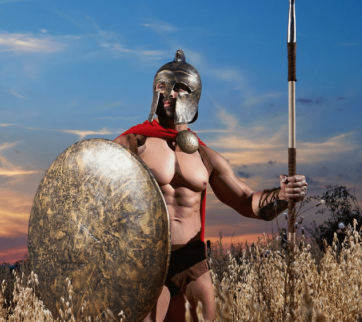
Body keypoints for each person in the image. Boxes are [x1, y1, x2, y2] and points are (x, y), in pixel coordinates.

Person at [113, 50, 307, 322]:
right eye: (163, 87)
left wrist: (283, 197)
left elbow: (246, 200)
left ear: (193, 95)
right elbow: (94, 198)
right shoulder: (130, 145)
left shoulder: (206, 156)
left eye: (179, 88)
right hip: (147, 262)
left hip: (193, 263)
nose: (170, 94)